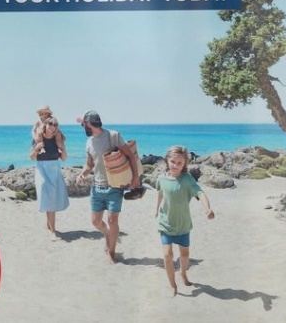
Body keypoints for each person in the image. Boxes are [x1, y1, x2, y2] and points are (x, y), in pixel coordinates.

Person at [75, 110, 139, 263]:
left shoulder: (113, 136)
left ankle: (111, 252)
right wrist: (82, 174)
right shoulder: (89, 142)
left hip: (115, 186)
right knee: (96, 222)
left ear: (89, 124)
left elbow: (130, 155)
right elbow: (90, 164)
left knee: (112, 220)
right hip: (97, 187)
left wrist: (135, 177)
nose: (84, 127)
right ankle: (109, 235)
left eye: (84, 125)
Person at [154, 145, 215, 297]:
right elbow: (161, 194)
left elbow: (200, 193)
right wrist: (156, 210)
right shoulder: (161, 178)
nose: (175, 165)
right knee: (167, 255)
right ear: (167, 160)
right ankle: (173, 285)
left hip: (182, 225)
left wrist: (207, 208)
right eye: (173, 161)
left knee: (185, 254)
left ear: (184, 165)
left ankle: (183, 274)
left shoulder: (187, 179)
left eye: (179, 163)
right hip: (165, 222)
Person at [29, 115, 69, 235]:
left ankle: (50, 227)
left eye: (55, 125)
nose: (52, 127)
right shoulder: (38, 139)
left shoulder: (58, 140)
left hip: (55, 170)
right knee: (48, 197)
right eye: (50, 124)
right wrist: (36, 149)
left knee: (50, 199)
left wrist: (63, 148)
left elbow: (64, 158)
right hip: (42, 170)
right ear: (45, 125)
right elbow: (32, 158)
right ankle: (53, 231)